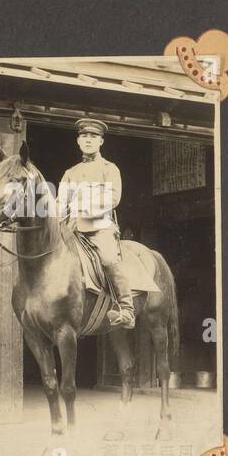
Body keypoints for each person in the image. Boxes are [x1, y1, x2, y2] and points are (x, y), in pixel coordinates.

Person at [57, 117, 134, 329]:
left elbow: (113, 198)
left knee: (109, 259)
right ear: (78, 141)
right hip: (73, 230)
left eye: (93, 136)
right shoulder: (70, 173)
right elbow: (60, 204)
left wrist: (83, 209)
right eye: (84, 136)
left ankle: (127, 309)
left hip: (100, 228)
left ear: (101, 141)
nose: (88, 140)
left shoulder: (110, 168)